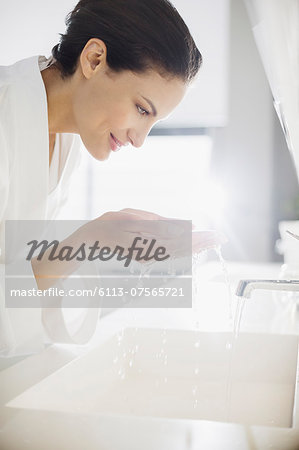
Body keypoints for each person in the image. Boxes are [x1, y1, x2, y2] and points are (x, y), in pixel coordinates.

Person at [0, 0, 225, 357]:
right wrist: (90, 238)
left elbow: (19, 278)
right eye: (141, 109)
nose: (139, 139)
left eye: (153, 122)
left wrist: (103, 241)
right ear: (93, 59)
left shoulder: (67, 139)